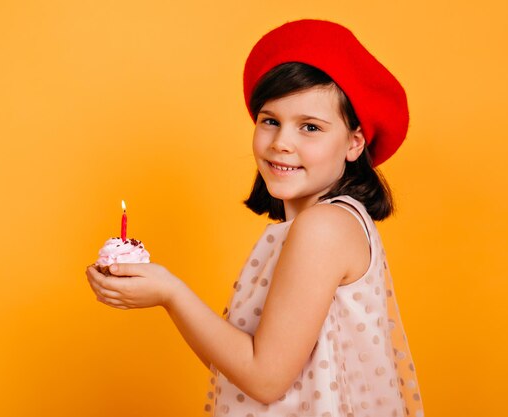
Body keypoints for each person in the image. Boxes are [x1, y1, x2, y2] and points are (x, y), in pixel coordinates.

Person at [86, 19, 424, 417]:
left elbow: (265, 380)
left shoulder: (324, 228)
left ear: (354, 143)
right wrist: (164, 296)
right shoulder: (312, 226)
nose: (282, 142)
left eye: (310, 127)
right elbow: (238, 367)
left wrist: (172, 293)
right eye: (270, 121)